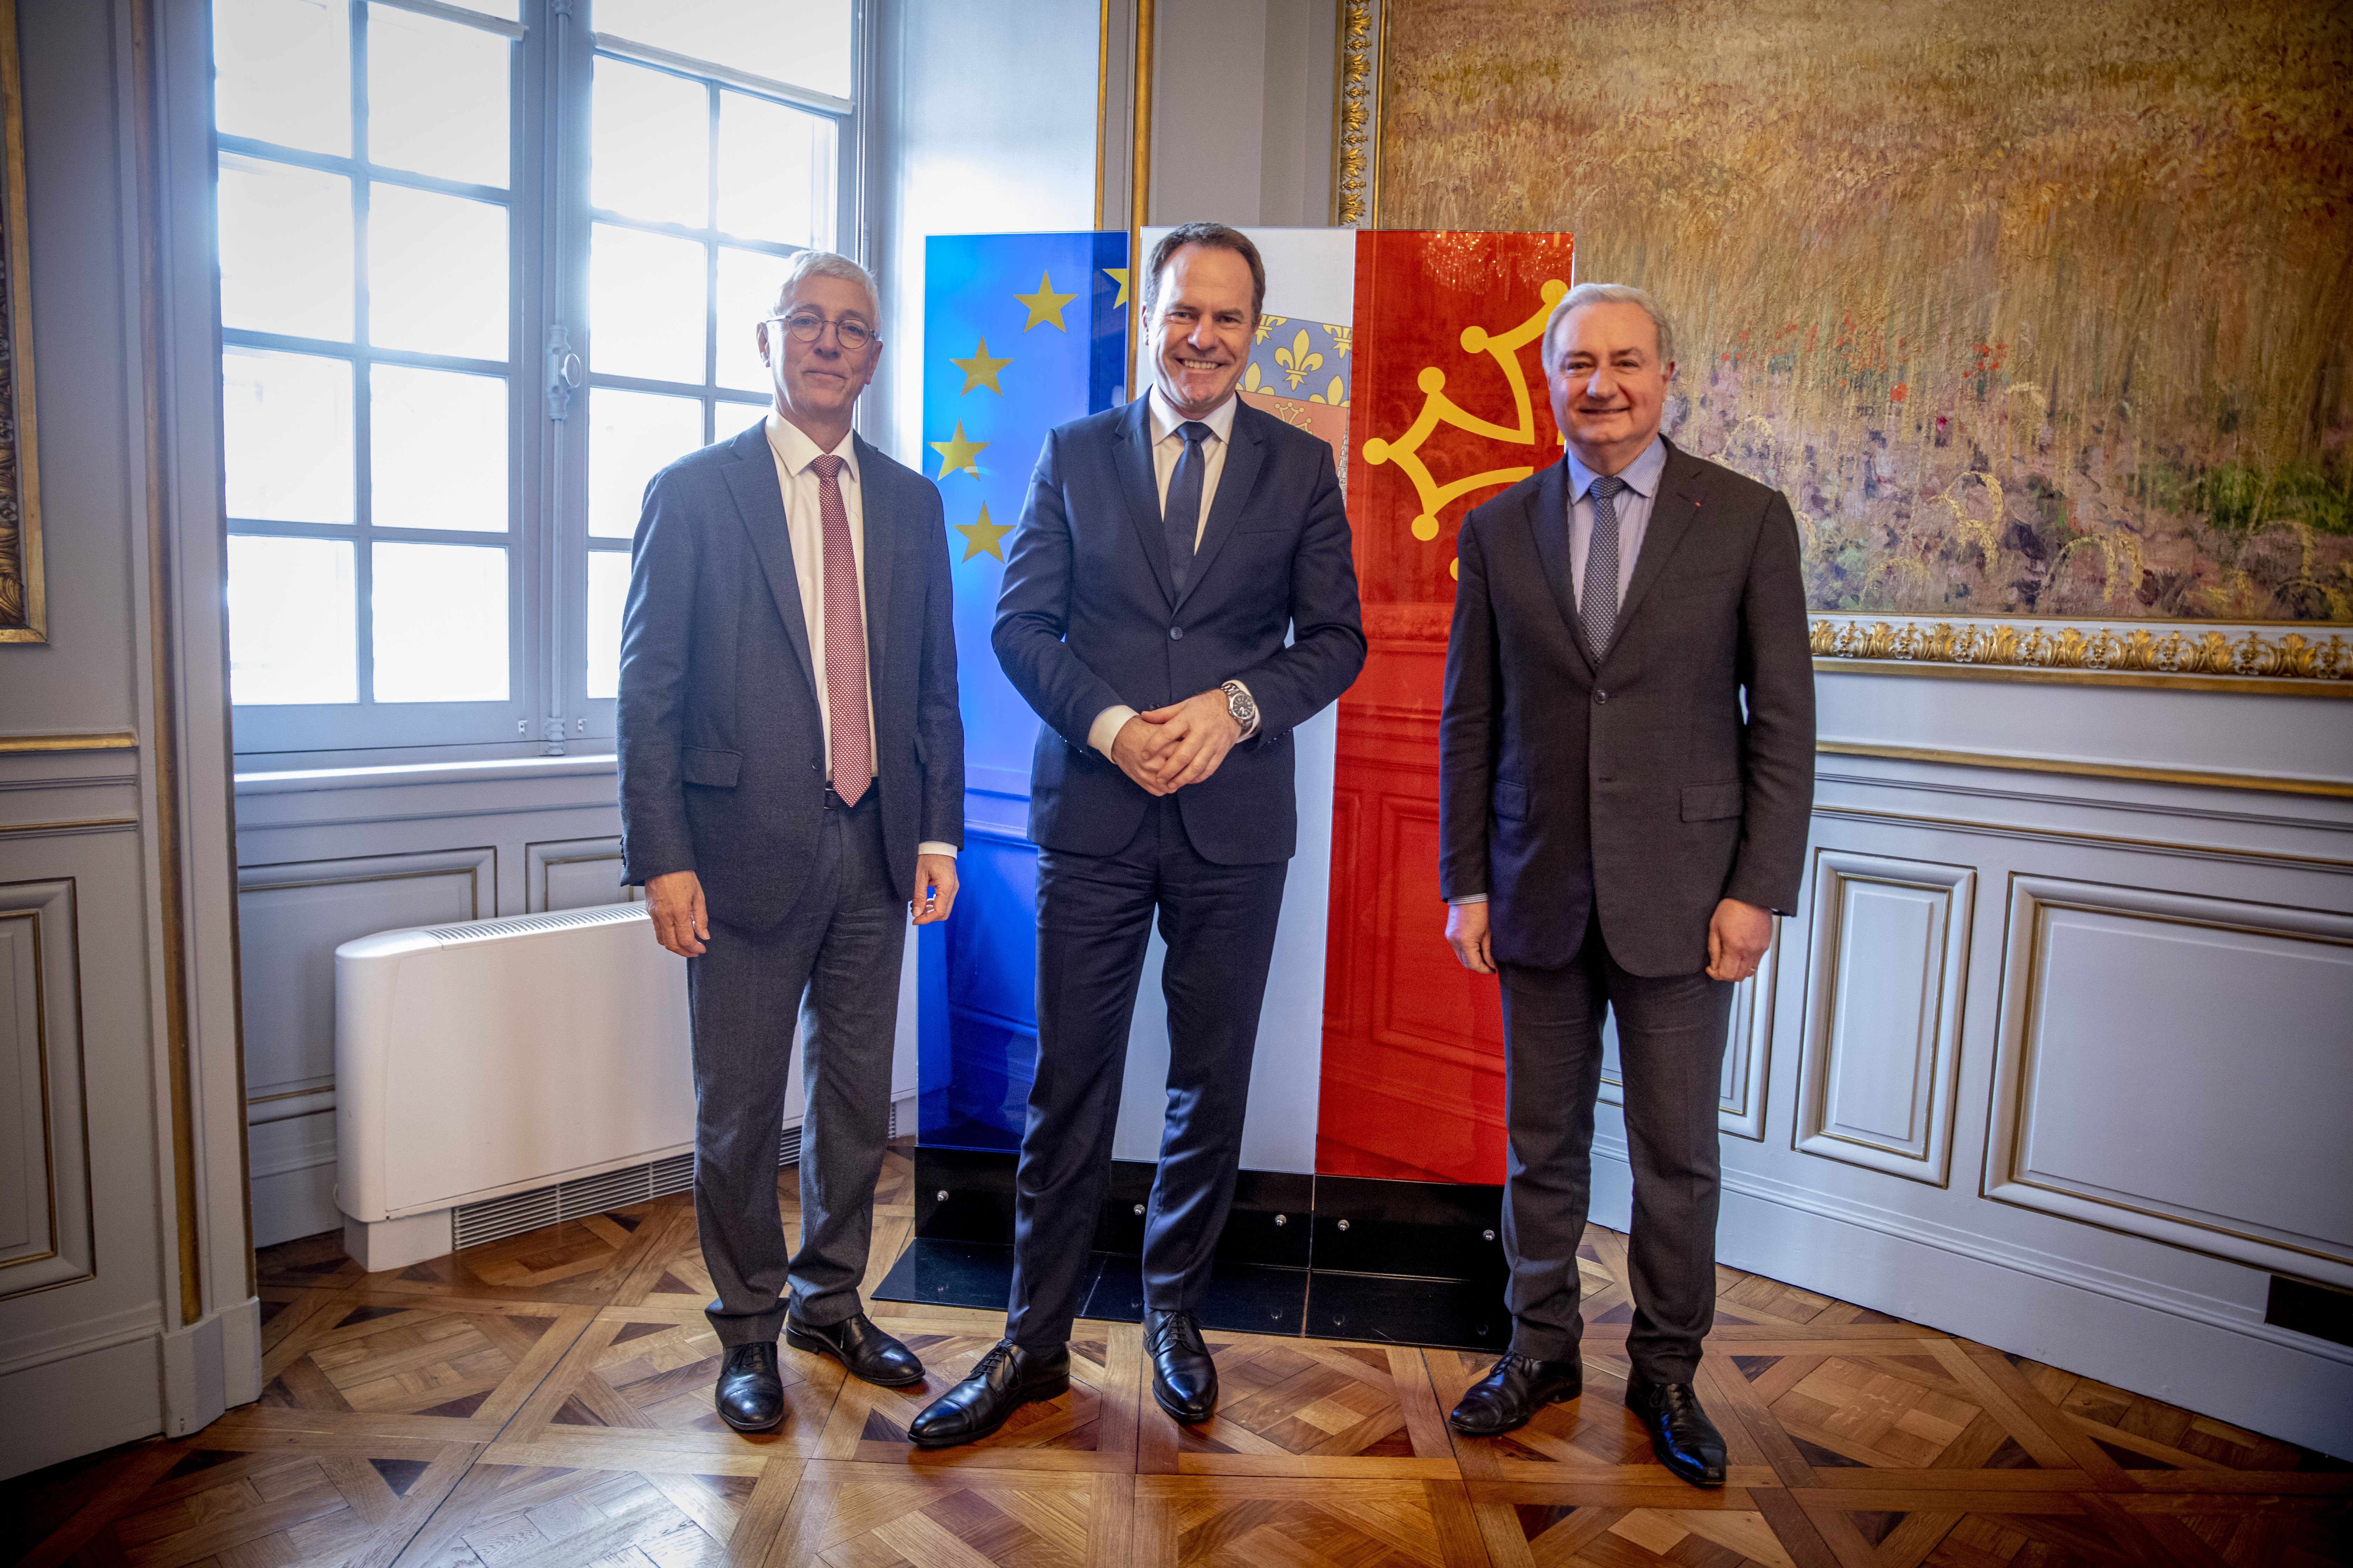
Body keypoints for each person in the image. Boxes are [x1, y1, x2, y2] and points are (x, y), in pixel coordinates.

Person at [907, 223, 1366, 1448]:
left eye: (1226, 317)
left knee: (1207, 1085)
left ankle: (1175, 1315)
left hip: (1234, 823)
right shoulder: (1070, 454)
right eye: (1182, 313)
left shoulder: (1298, 468)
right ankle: (1033, 1342)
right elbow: (1019, 627)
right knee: (1069, 1088)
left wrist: (1232, 709)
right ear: (1150, 319)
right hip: (1097, 820)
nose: (1202, 336)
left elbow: (1336, 640)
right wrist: (1113, 726)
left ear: (1251, 333)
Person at [1436, 282, 1814, 1486]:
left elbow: (1783, 724)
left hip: (1689, 896)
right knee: (1540, 1148)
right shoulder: (1498, 529)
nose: (1601, 384)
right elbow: (1469, 723)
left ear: (1666, 376)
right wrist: (1465, 883)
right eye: (1577, 364)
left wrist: (1757, 887)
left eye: (1627, 361)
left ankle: (1665, 1371)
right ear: (1548, 382)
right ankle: (1539, 1348)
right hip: (1535, 885)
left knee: (1675, 1155)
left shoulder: (1748, 520)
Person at [616, 251, 963, 1433]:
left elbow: (933, 693)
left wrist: (939, 839)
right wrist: (660, 854)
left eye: (852, 327)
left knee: (857, 1103)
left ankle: (829, 1301)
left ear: (875, 356)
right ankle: (750, 1329)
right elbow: (646, 691)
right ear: (765, 343)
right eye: (805, 322)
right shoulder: (694, 491)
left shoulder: (913, 504)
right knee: (738, 1110)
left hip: (878, 850)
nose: (828, 342)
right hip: (735, 854)